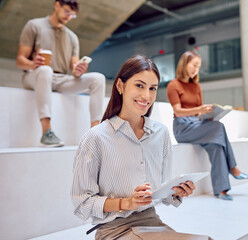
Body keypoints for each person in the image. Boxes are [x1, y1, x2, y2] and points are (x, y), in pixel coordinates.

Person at [71, 55, 210, 240]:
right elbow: (83, 203)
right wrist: (127, 202)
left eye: (152, 88)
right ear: (120, 86)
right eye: (139, 85)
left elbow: (163, 191)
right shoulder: (95, 137)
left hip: (152, 223)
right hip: (113, 230)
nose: (147, 96)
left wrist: (177, 192)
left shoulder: (161, 133)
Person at [16, 0, 105, 147]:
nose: (69, 17)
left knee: (98, 78)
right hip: (35, 75)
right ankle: (47, 132)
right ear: (57, 5)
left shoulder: (72, 37)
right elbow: (20, 60)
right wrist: (33, 64)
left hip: (61, 78)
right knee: (45, 70)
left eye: (73, 15)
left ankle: (95, 132)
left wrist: (78, 70)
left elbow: (74, 67)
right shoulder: (34, 25)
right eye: (67, 11)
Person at [166, 51, 248, 201]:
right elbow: (177, 111)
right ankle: (233, 168)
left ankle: (221, 190)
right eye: (194, 65)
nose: (196, 69)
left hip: (197, 125)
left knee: (216, 145)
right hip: (182, 128)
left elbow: (199, 114)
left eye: (199, 67)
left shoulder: (196, 86)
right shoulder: (173, 85)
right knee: (219, 127)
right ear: (185, 64)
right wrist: (199, 110)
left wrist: (207, 115)